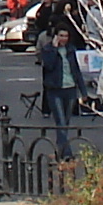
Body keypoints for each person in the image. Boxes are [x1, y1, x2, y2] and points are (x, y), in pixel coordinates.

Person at [39, 27, 83, 161]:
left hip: (70, 89)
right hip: (55, 90)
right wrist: (53, 47)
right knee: (61, 122)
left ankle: (60, 150)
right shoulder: (48, 49)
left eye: (66, 36)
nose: (63, 38)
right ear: (55, 36)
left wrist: (83, 91)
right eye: (61, 35)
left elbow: (76, 70)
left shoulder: (71, 50)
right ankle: (67, 153)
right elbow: (49, 65)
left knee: (65, 123)